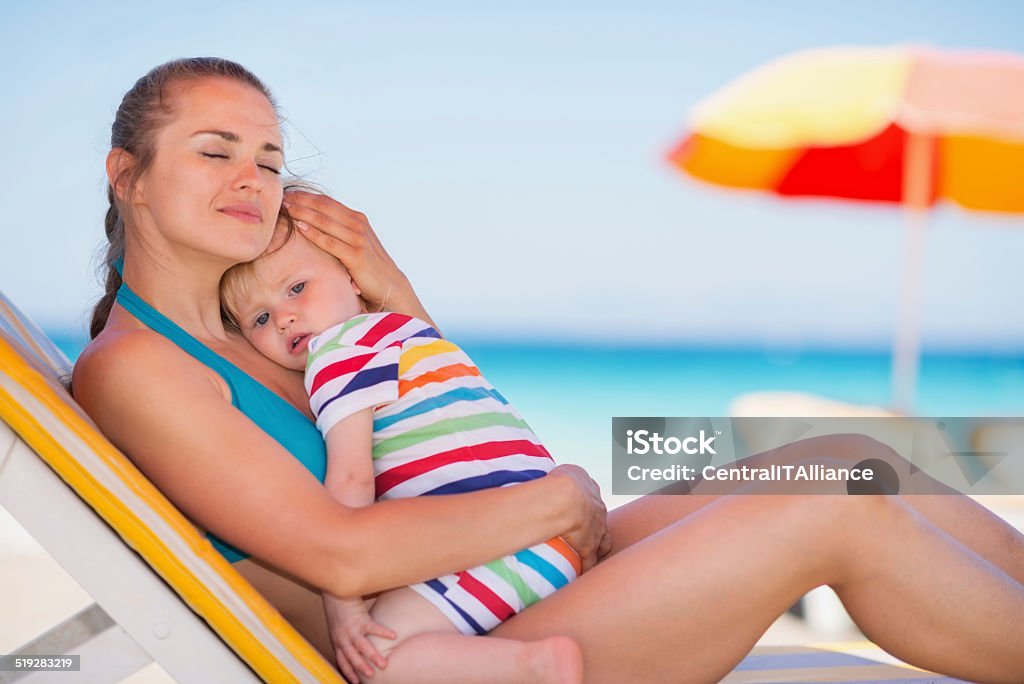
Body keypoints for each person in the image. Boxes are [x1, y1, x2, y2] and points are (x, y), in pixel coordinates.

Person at [71, 57, 1024, 683]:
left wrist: (388, 284)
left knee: (848, 458)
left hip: (508, 576)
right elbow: (342, 555)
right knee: (827, 506)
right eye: (215, 152)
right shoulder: (138, 368)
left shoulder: (258, 332)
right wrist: (560, 500)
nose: (252, 177)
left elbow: (445, 409)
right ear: (128, 175)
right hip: (450, 647)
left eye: (269, 158)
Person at [219, 218, 584, 682]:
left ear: (351, 277)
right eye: (261, 318)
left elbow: (352, 480)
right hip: (548, 538)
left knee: (374, 655)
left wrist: (342, 602)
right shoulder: (407, 334)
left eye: (296, 288)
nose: (285, 316)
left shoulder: (336, 358)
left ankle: (533, 668)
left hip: (499, 551)